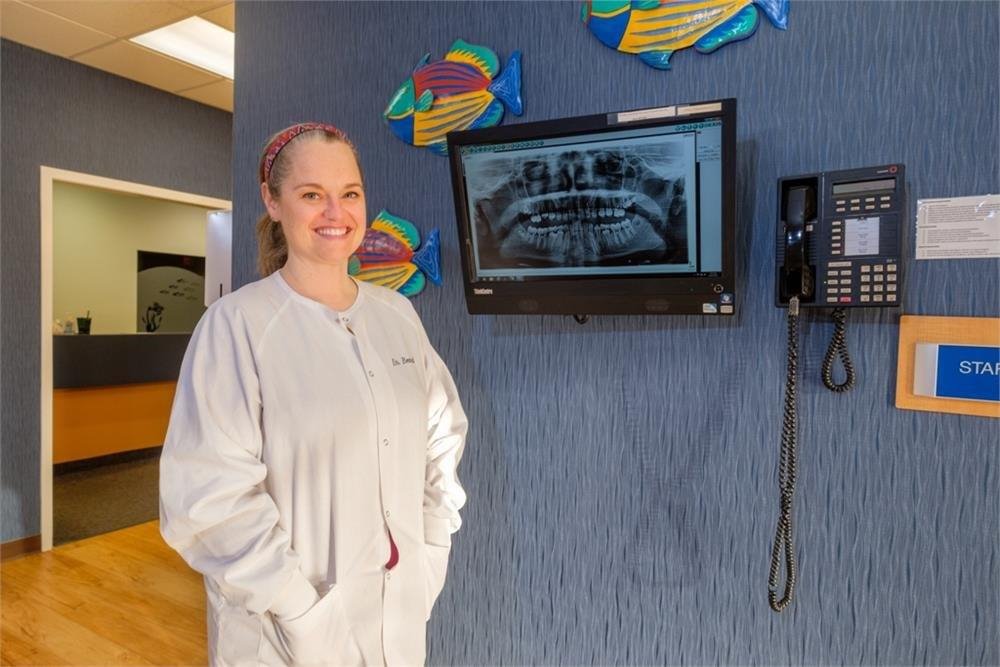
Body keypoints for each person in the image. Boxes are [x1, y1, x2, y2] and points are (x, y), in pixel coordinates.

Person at [159, 122, 468, 666]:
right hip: (283, 635)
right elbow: (208, 499)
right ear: (272, 203)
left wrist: (433, 548)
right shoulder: (238, 326)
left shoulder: (396, 315)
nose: (335, 213)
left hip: (396, 618)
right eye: (311, 195)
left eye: (349, 194)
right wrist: (301, 612)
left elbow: (441, 438)